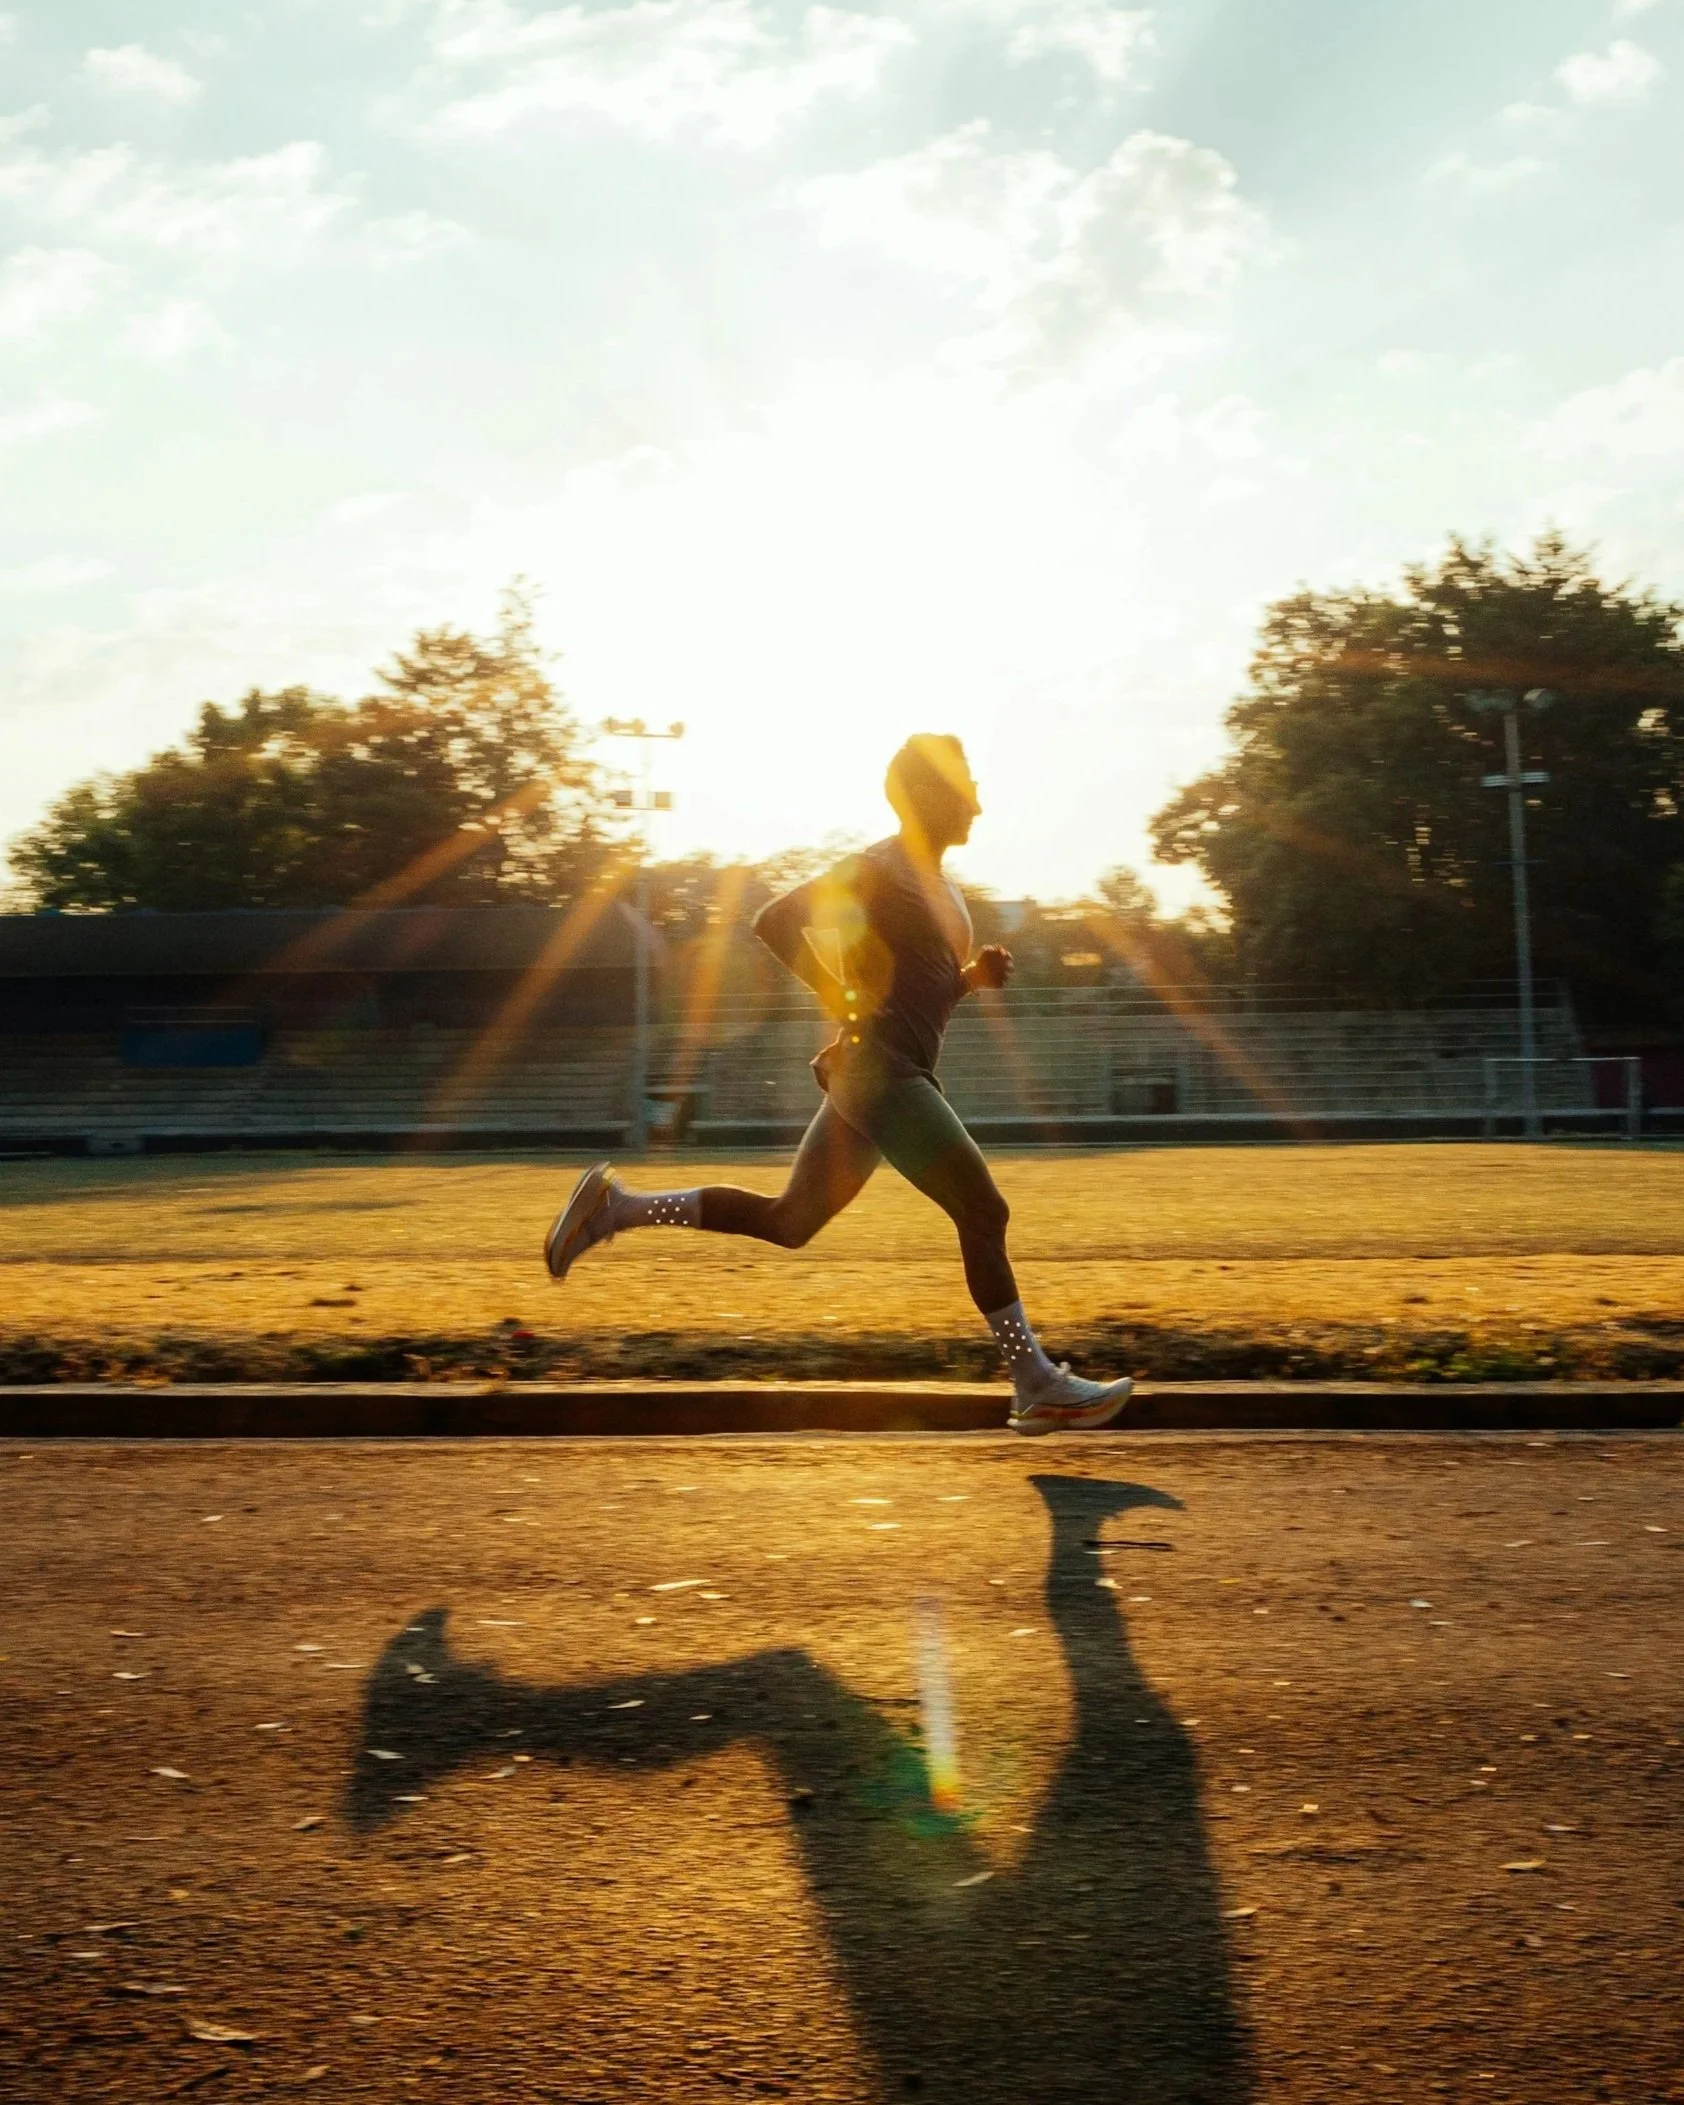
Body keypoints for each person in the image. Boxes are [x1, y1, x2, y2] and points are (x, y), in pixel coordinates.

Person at [543, 734, 1133, 1434]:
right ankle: (1033, 1377)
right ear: (928, 796)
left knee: (789, 1220)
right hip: (881, 1073)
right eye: (965, 784)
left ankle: (617, 1207)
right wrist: (843, 1001)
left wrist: (969, 981)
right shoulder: (880, 868)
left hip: (886, 1069)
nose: (978, 799)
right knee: (984, 1210)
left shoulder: (938, 886)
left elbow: (913, 993)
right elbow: (777, 920)